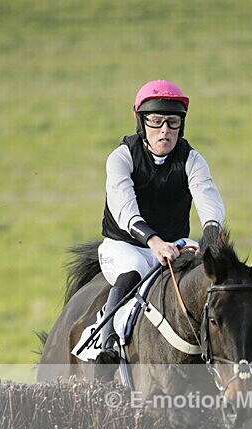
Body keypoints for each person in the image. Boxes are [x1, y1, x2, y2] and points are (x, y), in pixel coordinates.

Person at [96, 79, 225, 362]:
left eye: (173, 122)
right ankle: (107, 343)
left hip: (176, 243)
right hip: (124, 245)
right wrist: (154, 243)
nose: (165, 130)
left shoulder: (192, 158)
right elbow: (126, 211)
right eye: (155, 121)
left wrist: (211, 237)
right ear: (140, 122)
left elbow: (208, 198)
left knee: (212, 279)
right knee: (133, 269)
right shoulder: (121, 157)